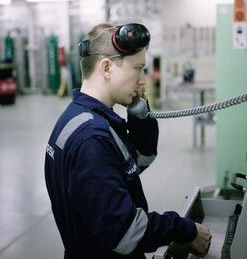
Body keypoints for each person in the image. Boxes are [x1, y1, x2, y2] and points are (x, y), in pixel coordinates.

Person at [44, 23, 211, 259]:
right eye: (138, 69)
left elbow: (135, 163)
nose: (143, 81)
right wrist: (185, 229)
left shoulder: (82, 117)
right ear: (107, 68)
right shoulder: (92, 139)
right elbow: (126, 232)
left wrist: (139, 115)